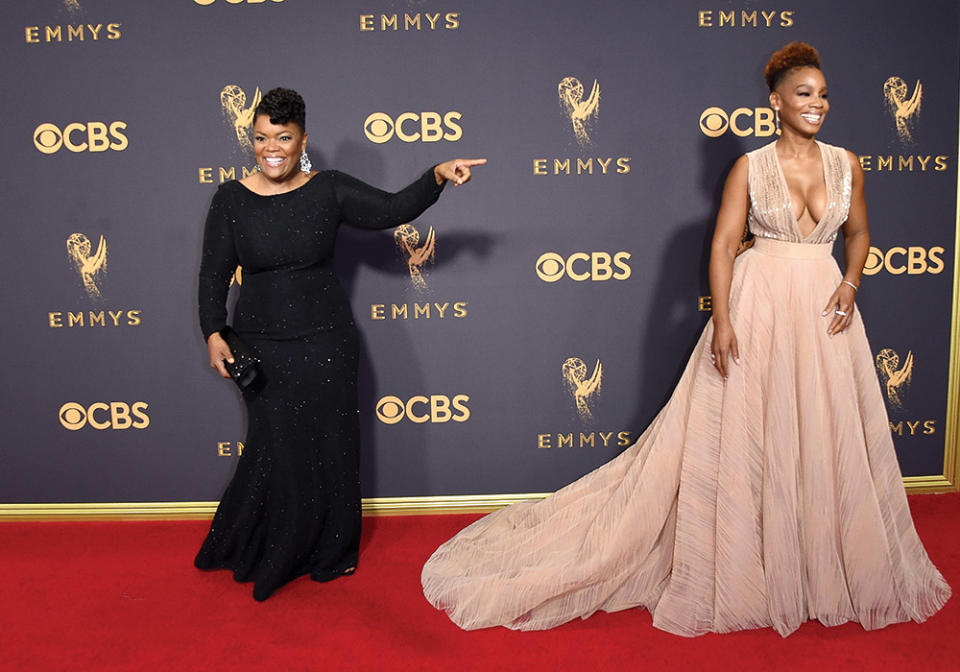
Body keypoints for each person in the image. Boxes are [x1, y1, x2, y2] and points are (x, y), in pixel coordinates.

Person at [421, 43, 950, 637]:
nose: (817, 104)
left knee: (822, 430)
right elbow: (725, 246)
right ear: (776, 102)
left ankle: (812, 558)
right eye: (804, 94)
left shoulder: (848, 162)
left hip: (825, 308)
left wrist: (852, 282)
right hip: (760, 306)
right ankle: (751, 555)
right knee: (753, 431)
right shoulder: (751, 167)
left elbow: (859, 233)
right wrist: (724, 321)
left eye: (824, 94)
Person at [195, 87, 484, 601]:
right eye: (261, 138)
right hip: (260, 345)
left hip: (326, 341)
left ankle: (329, 550)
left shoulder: (328, 189)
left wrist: (436, 175)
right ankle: (268, 545)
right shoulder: (230, 198)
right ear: (252, 141)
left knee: (330, 445)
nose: (272, 148)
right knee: (275, 445)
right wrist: (213, 330)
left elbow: (392, 209)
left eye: (283, 137)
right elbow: (214, 272)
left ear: (303, 139)